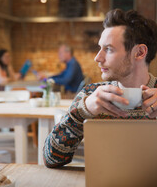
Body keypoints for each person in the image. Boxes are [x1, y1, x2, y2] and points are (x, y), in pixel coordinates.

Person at [43, 9, 157, 168]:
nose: (97, 58)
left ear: (139, 52)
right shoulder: (91, 95)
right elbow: (51, 159)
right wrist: (82, 112)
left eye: (108, 49)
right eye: (100, 48)